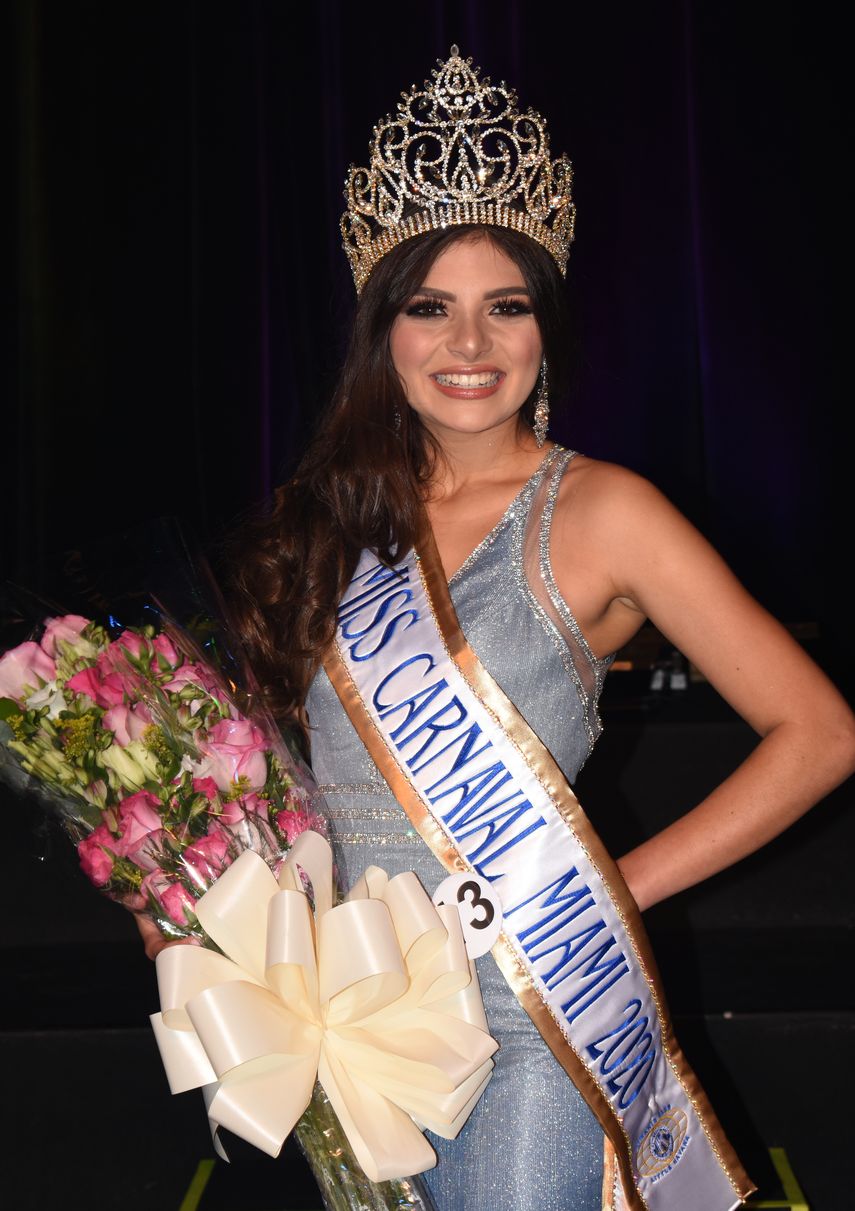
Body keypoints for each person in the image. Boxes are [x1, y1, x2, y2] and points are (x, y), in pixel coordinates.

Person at [138, 47, 855, 1211]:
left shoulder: (607, 510)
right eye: (432, 309)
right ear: (386, 330)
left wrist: (612, 887)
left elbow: (819, 729)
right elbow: (274, 781)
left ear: (544, 326)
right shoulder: (318, 522)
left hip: (531, 1015)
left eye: (504, 307)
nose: (469, 346)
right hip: (360, 1031)